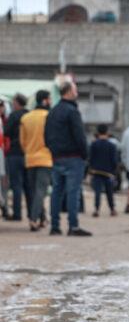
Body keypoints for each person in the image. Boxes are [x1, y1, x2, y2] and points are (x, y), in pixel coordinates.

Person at [44, 81, 91, 236]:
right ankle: (73, 226)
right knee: (73, 192)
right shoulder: (72, 111)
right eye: (75, 90)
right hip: (73, 158)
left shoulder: (52, 112)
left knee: (56, 192)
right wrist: (85, 155)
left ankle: (55, 226)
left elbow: (46, 137)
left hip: (57, 158)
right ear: (70, 92)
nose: (76, 93)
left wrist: (54, 151)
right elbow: (80, 136)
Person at [19, 90, 53, 231]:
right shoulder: (49, 117)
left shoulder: (26, 118)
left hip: (30, 158)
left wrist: (29, 151)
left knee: (34, 190)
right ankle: (33, 219)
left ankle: (43, 219)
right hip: (45, 158)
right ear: (45, 101)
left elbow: (23, 142)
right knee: (41, 191)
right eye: (50, 99)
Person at [3, 93, 32, 221]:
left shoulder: (14, 115)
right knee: (28, 186)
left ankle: (17, 213)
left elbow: (6, 132)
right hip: (28, 153)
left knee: (16, 186)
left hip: (15, 154)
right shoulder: (30, 115)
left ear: (16, 103)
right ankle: (32, 213)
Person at [89, 124, 118, 217]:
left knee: (97, 191)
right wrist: (114, 170)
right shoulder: (112, 145)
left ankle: (97, 209)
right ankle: (112, 209)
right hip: (109, 174)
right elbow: (114, 160)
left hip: (96, 172)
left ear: (97, 133)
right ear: (107, 132)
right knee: (110, 191)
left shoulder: (94, 144)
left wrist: (91, 168)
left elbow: (90, 158)